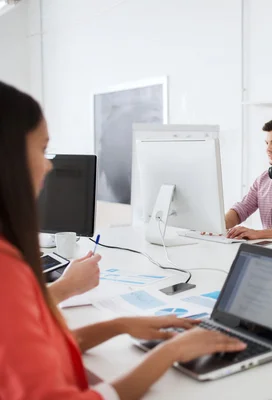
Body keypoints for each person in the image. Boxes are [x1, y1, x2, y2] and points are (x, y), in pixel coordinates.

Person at [0, 81, 246, 400]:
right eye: (43, 149)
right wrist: (169, 353)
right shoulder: (7, 272)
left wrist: (120, 325)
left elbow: (36, 353)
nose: (48, 165)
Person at [224, 117, 272, 240]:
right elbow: (242, 209)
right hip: (269, 251)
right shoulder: (263, 179)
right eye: (267, 143)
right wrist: (219, 225)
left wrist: (259, 234)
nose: (268, 149)